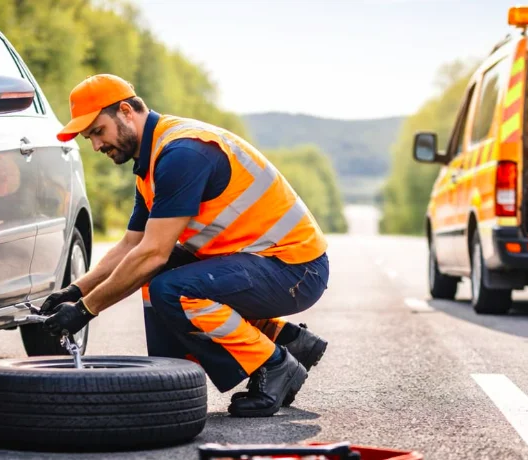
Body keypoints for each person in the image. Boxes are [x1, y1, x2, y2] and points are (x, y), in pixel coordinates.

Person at [40, 74, 331, 418]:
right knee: (159, 276)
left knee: (171, 288)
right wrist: (73, 291)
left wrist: (86, 310)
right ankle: (273, 340)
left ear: (125, 111)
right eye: (89, 138)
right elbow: (132, 246)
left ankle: (274, 363)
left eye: (98, 131)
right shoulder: (153, 161)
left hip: (295, 269)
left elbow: (152, 254)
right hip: (262, 263)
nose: (96, 146)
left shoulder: (182, 153)